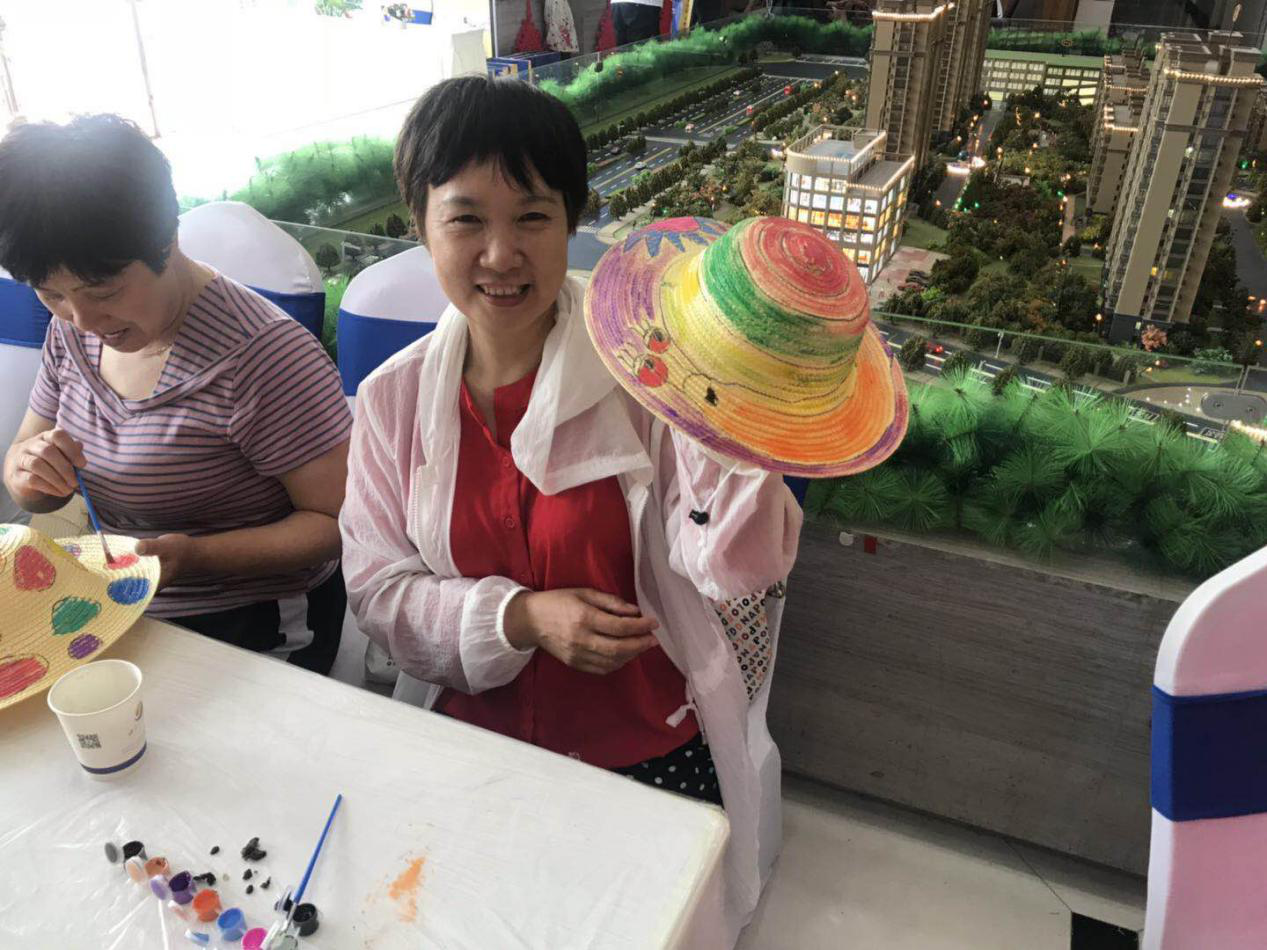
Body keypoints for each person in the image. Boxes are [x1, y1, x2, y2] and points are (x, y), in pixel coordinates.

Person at [340, 75, 805, 943]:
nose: (500, 254)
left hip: (646, 750)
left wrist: (738, 419)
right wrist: (517, 618)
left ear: (573, 222)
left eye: (532, 216)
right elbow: (376, 592)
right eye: (466, 219)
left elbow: (734, 569)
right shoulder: (392, 402)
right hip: (472, 741)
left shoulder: (650, 376)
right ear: (419, 225)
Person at [0, 115, 352, 675]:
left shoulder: (263, 356)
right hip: (118, 600)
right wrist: (30, 474)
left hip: (250, 620)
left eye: (103, 291)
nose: (81, 319)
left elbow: (337, 522)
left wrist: (196, 556)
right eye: (50, 294)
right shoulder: (72, 331)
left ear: (166, 241)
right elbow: (25, 457)